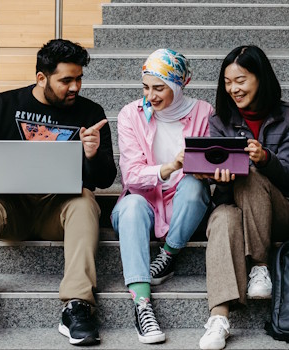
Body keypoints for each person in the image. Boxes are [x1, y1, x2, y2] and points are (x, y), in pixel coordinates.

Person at [0, 39, 116, 348]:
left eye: (79, 78)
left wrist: (92, 156)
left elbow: (106, 179)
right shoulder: (3, 105)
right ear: (41, 78)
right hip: (14, 210)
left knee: (85, 201)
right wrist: (10, 177)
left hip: (58, 212)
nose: (75, 86)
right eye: (66, 80)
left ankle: (77, 306)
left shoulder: (91, 113)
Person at [197, 45, 289, 350]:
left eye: (240, 80)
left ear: (260, 78)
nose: (233, 89)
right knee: (221, 218)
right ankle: (219, 318)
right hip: (237, 206)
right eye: (228, 82)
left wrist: (266, 157)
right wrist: (218, 178)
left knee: (252, 171)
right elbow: (224, 194)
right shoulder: (219, 122)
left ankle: (260, 264)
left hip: (280, 211)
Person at [112, 48, 214, 344]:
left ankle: (168, 254)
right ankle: (142, 305)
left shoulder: (204, 112)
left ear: (180, 85)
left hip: (185, 204)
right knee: (131, 206)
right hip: (142, 202)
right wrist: (170, 167)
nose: (151, 96)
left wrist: (206, 169)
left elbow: (209, 164)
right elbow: (131, 176)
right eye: (146, 87)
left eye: (160, 88)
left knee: (195, 186)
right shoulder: (130, 114)